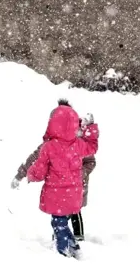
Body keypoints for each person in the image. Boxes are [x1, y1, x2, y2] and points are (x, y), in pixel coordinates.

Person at [11, 99, 97, 241]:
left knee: (74, 212)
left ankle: (77, 235)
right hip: (59, 186)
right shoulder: (50, 144)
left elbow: (91, 161)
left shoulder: (78, 141)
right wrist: (21, 174)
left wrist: (79, 173)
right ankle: (61, 238)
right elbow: (35, 159)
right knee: (60, 214)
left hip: (76, 185)